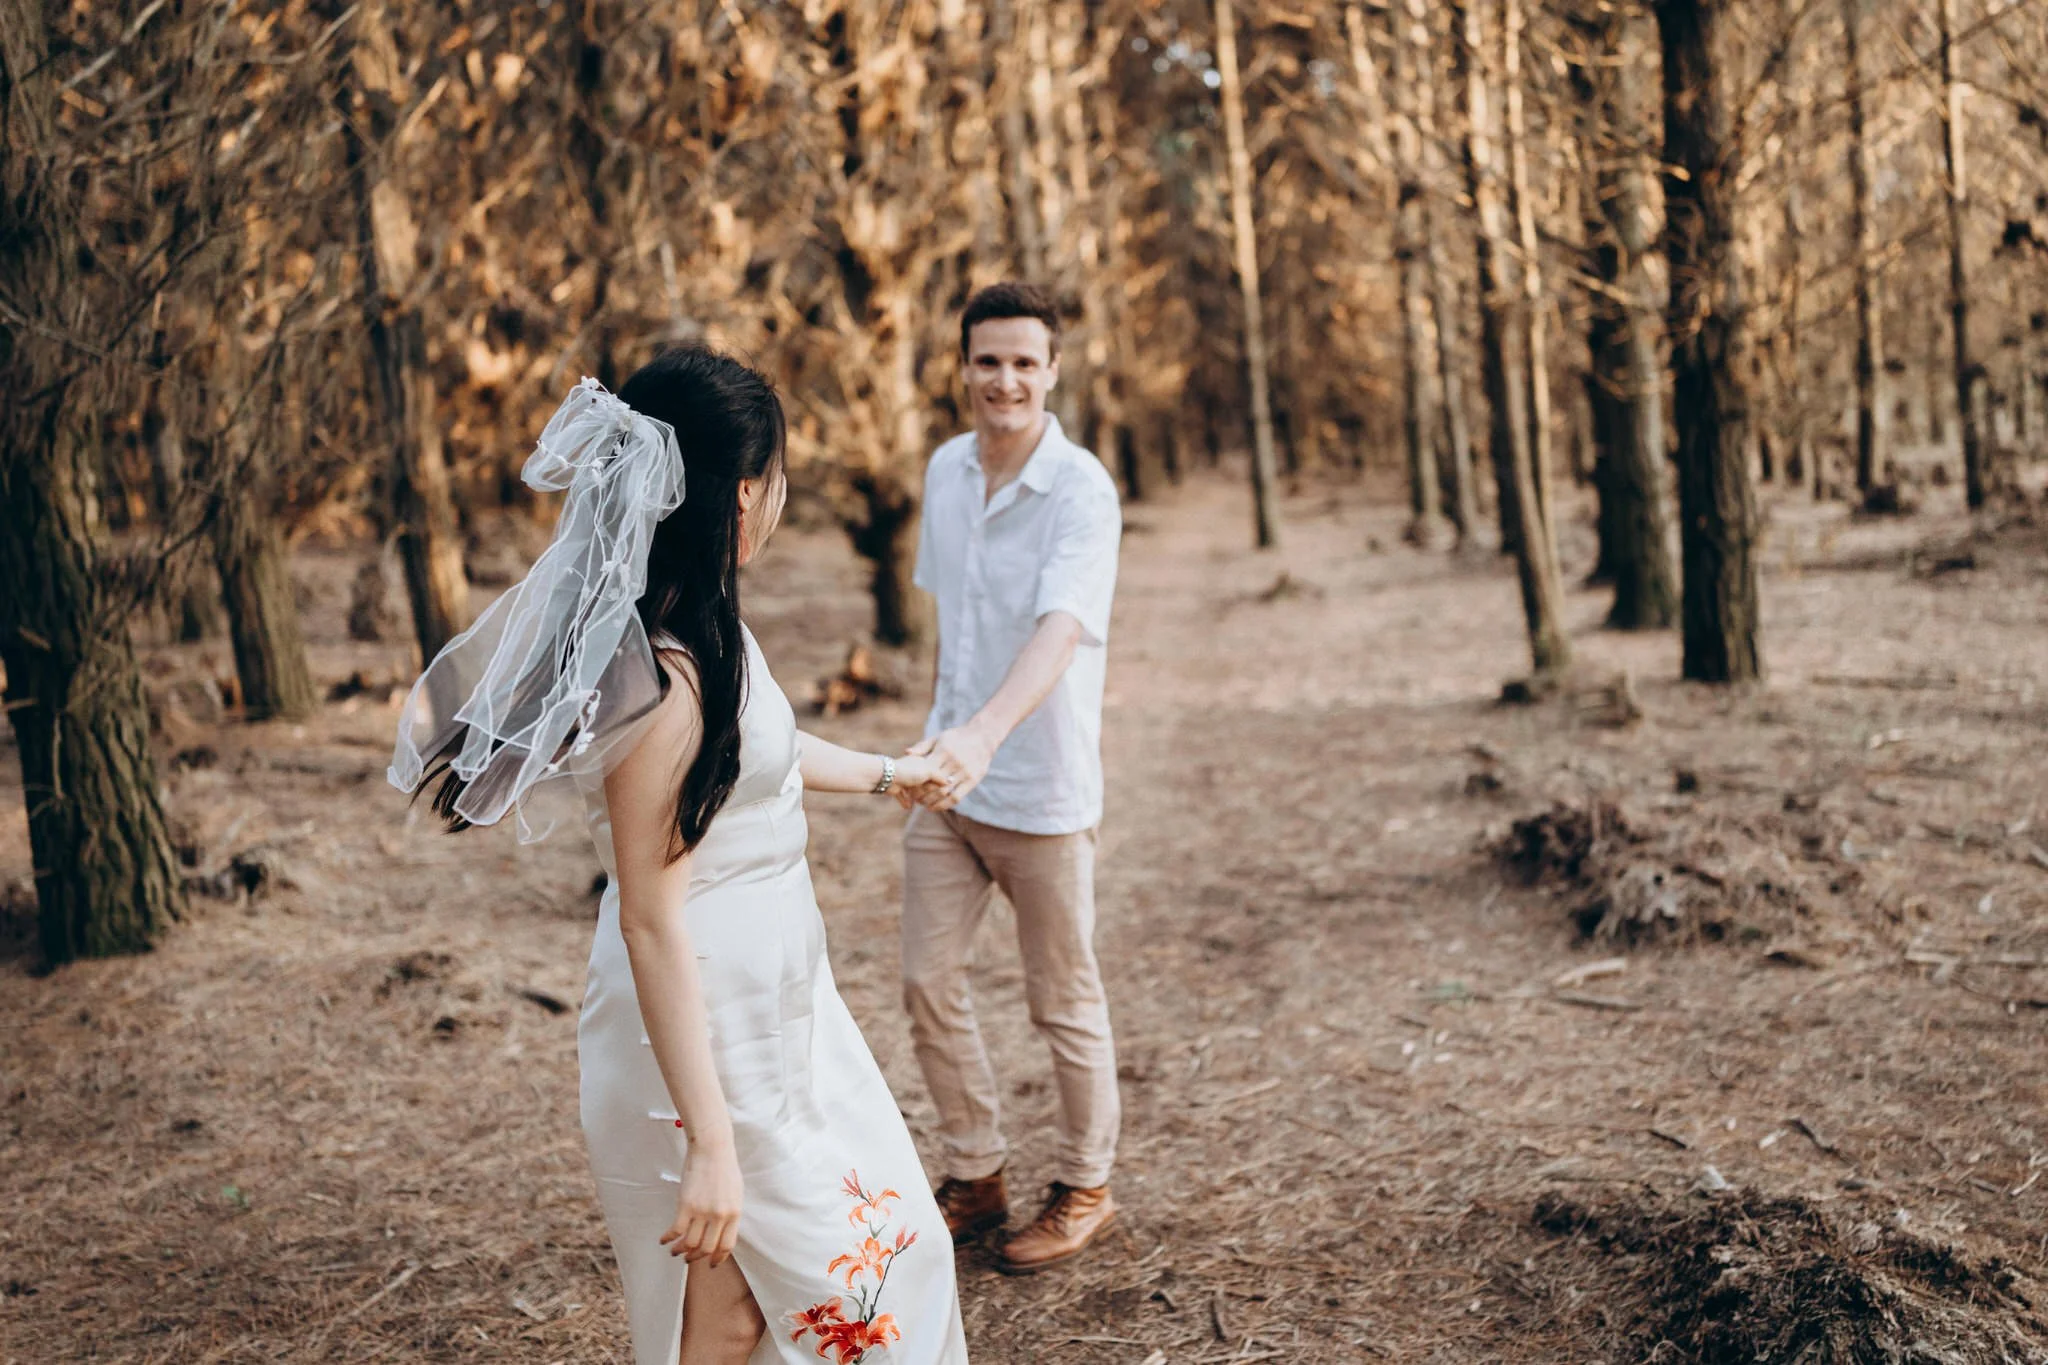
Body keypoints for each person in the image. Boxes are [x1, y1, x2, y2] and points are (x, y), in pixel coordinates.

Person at [390, 347, 969, 1365]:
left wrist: (891, 774)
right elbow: (648, 917)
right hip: (695, 1031)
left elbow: (758, 756)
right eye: (776, 475)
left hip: (783, 1007)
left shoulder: (710, 630)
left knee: (846, 1270)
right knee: (775, 1300)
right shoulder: (664, 680)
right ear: (743, 494)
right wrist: (707, 1141)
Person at [899, 282, 1124, 1274]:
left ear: (1053, 371)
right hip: (943, 782)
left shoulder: (1081, 490)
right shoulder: (946, 470)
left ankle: (1084, 1189)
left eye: (1024, 362)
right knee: (923, 979)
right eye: (987, 360)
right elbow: (956, 621)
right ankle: (975, 1170)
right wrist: (939, 738)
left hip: (1034, 786)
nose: (1005, 379)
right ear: (961, 368)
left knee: (1061, 1001)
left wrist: (984, 734)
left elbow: (1058, 632)